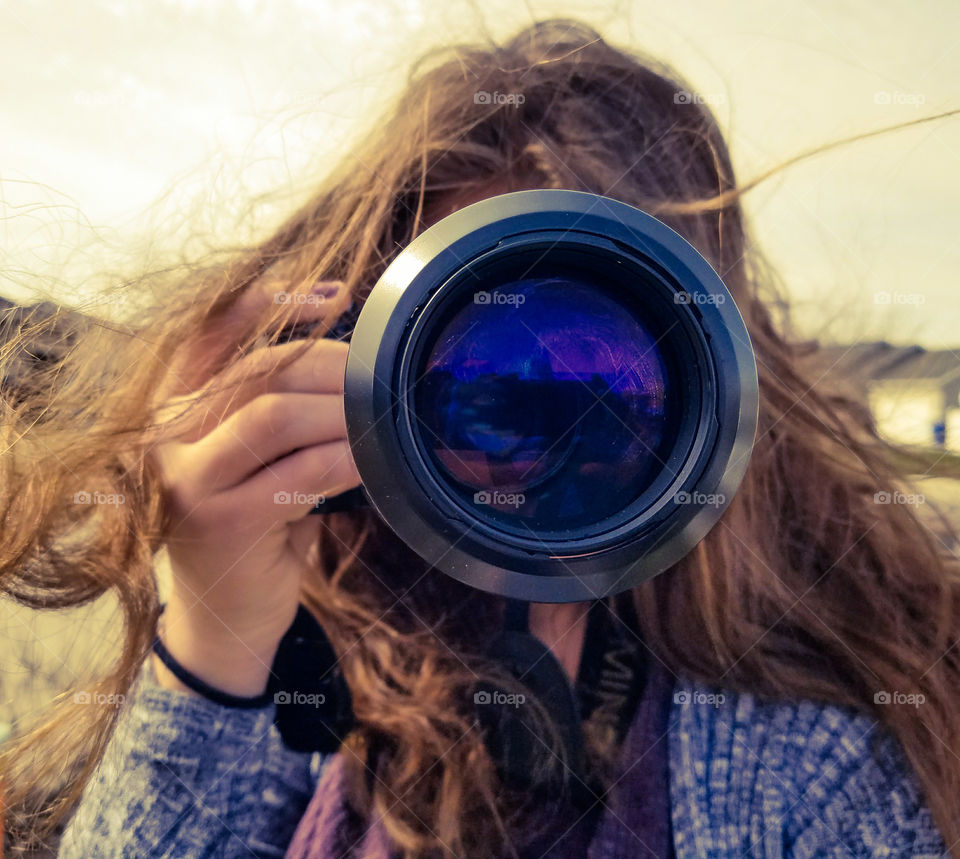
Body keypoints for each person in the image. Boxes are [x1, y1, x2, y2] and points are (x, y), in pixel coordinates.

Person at [1, 18, 958, 859]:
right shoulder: (319, 616)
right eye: (466, 373)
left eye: (604, 389)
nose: (525, 449)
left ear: (713, 400)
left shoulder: (811, 757)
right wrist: (214, 639)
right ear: (357, 367)